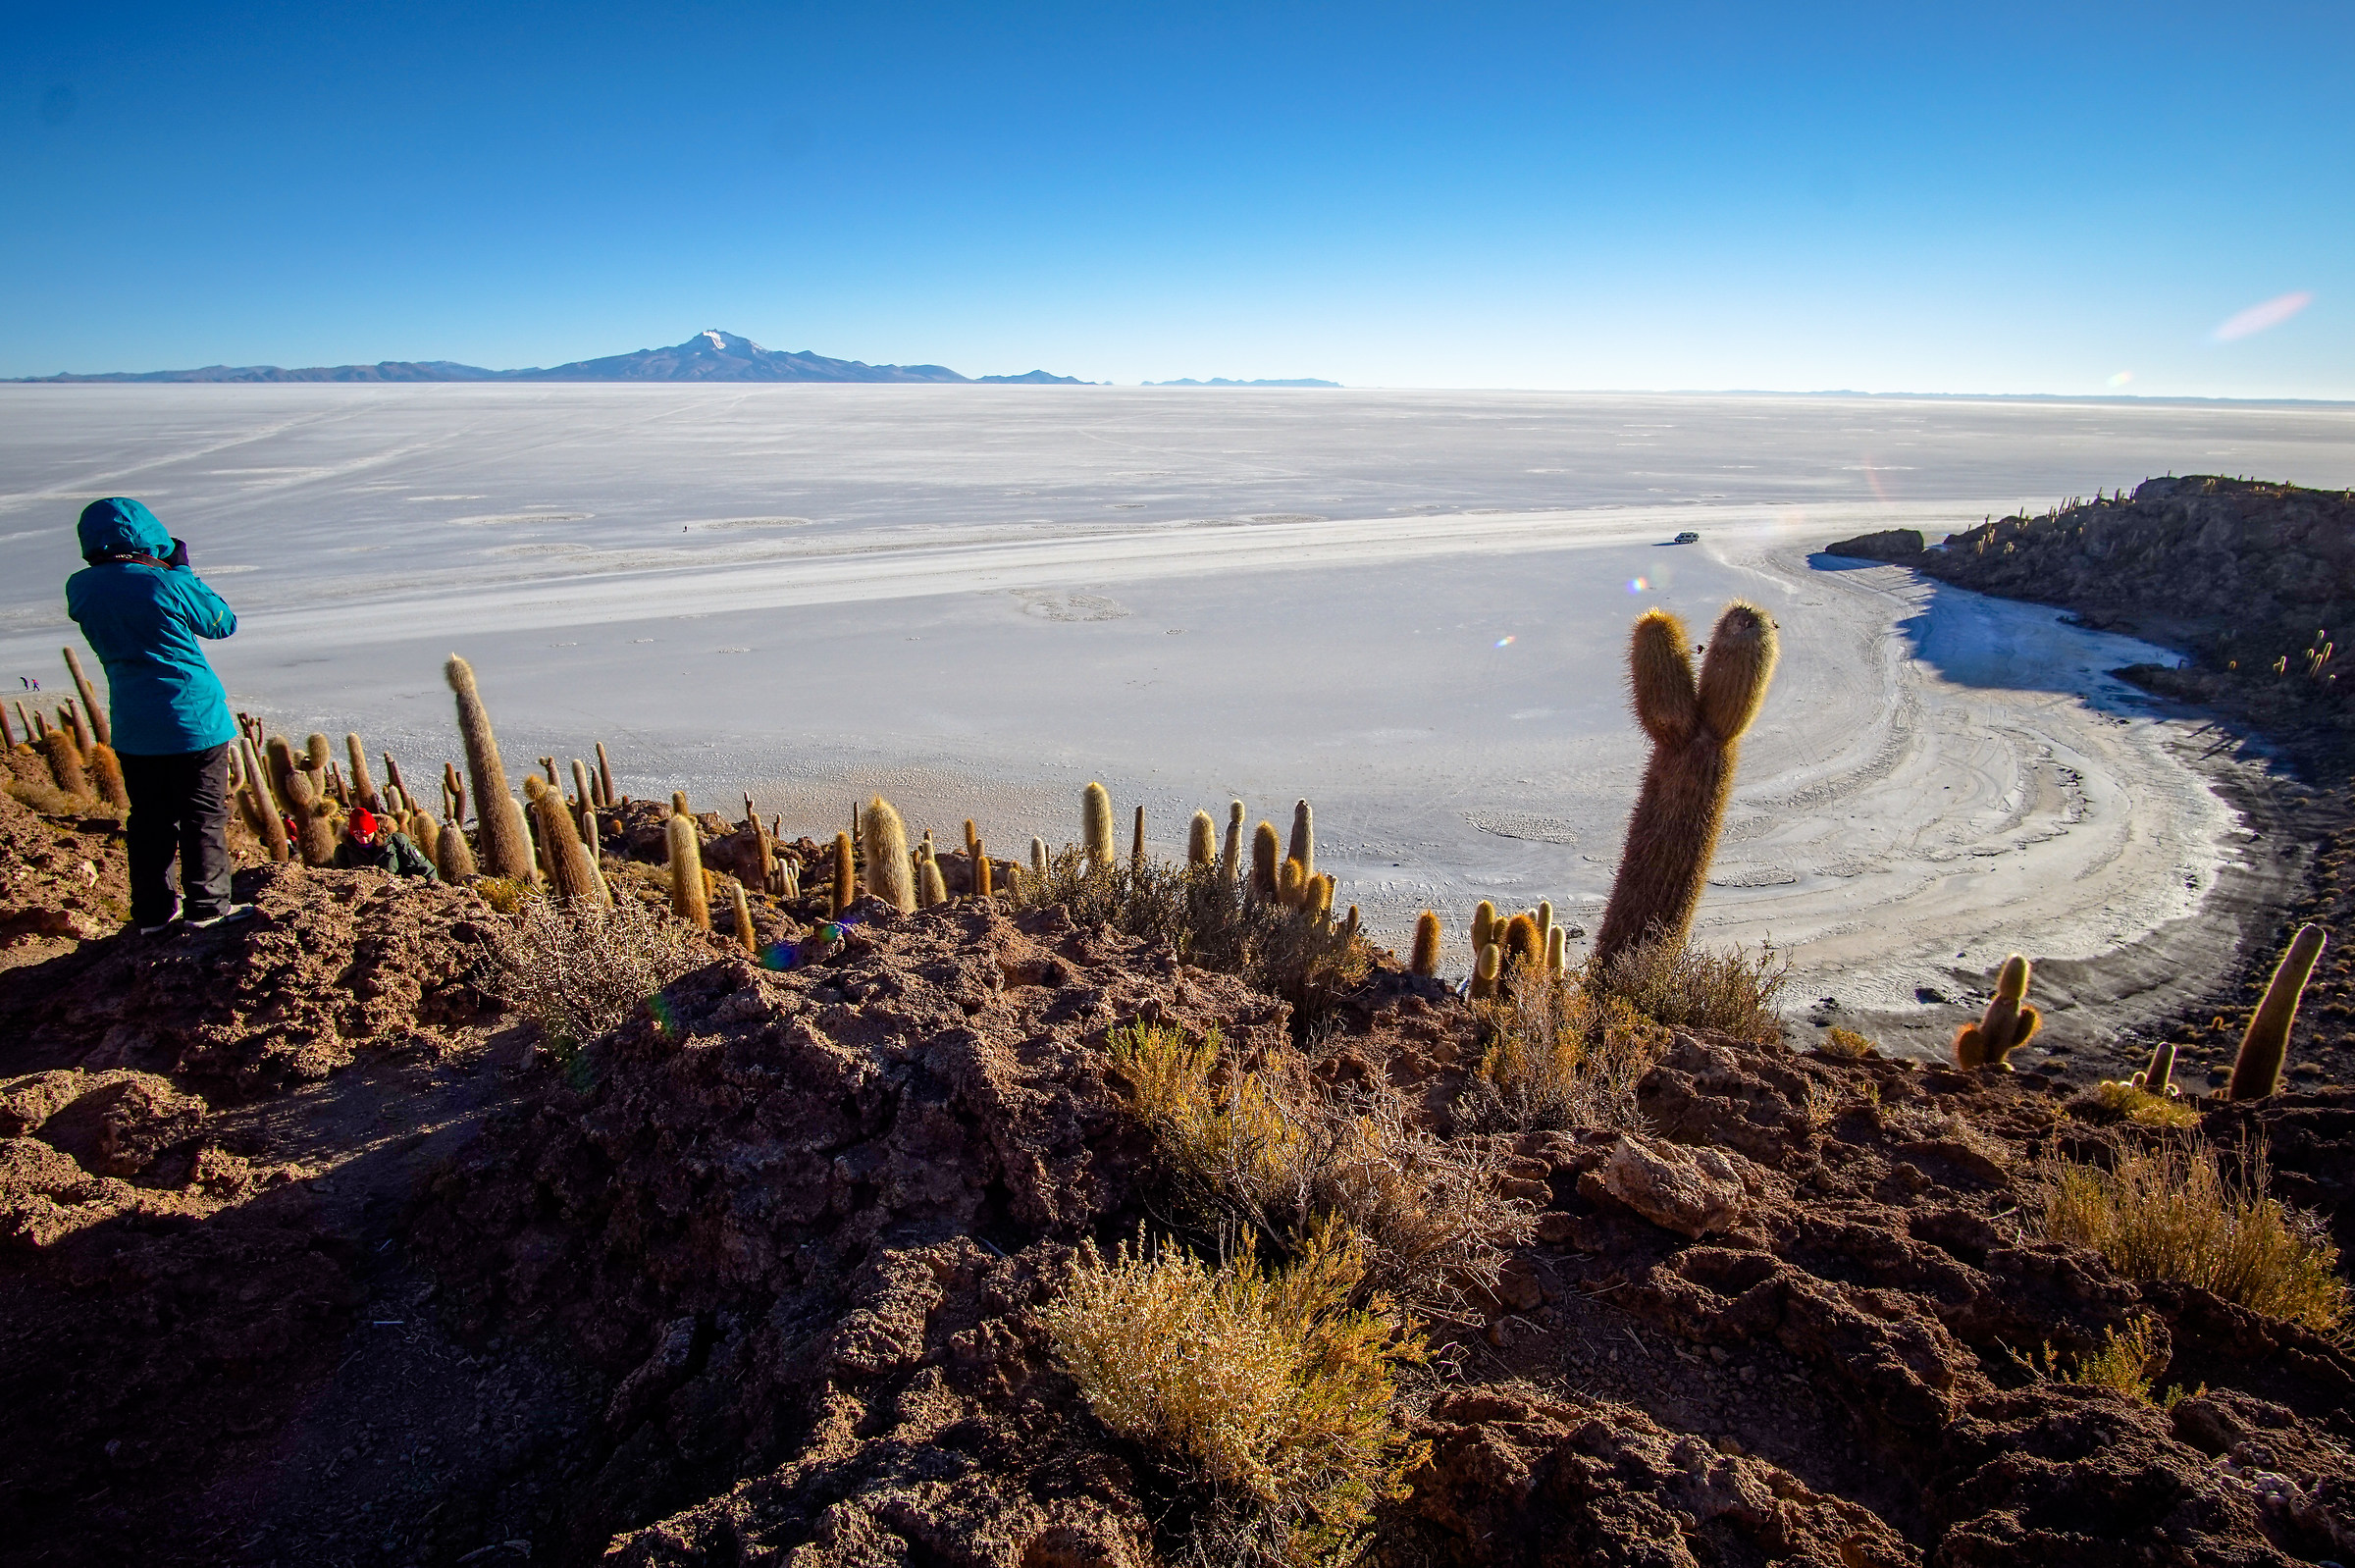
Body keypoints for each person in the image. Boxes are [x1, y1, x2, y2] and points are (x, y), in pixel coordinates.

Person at [65, 497, 250, 934]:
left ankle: (153, 912)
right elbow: (221, 622)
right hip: (192, 720)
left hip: (134, 723)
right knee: (202, 814)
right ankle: (208, 908)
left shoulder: (81, 587)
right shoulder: (164, 583)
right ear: (149, 536)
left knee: (149, 818)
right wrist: (181, 570)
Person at [333, 808, 439, 879]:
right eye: (358, 836)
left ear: (374, 830)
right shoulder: (344, 850)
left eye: (367, 835)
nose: (363, 840)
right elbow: (339, 878)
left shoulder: (395, 842)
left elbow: (425, 869)